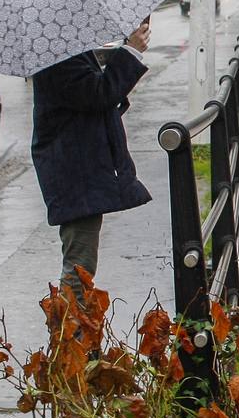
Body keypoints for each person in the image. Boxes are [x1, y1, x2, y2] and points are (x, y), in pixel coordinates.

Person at [31, 17, 152, 291]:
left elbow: (95, 92)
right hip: (74, 172)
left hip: (76, 169)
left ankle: (72, 330)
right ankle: (70, 333)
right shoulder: (57, 56)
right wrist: (131, 51)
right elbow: (99, 94)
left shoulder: (59, 49)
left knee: (81, 264)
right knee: (79, 267)